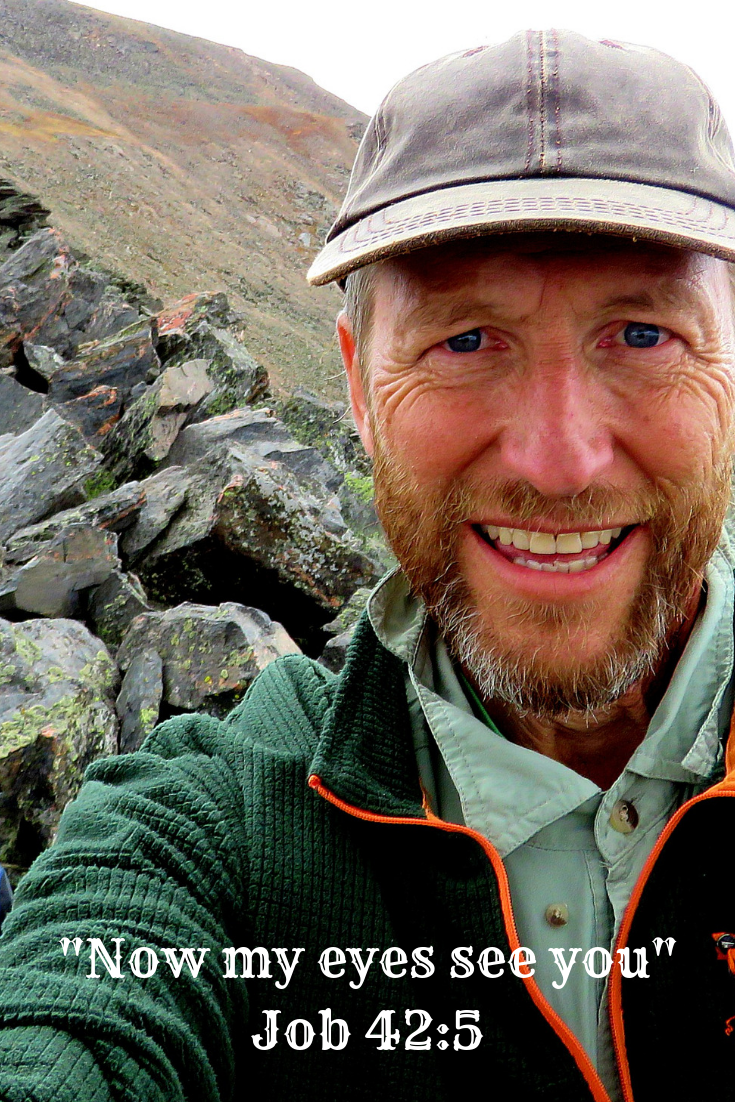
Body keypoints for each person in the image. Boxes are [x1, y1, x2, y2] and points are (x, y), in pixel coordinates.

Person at [0, 28, 734, 1102]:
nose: (559, 459)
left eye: (642, 334)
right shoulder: (213, 823)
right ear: (353, 383)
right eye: (467, 341)